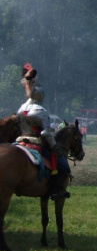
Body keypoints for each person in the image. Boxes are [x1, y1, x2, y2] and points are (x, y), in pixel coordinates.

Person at [16, 63, 70, 201]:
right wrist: (54, 146)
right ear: (41, 95)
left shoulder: (21, 108)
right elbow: (45, 133)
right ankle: (56, 190)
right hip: (36, 143)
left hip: (20, 142)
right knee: (63, 166)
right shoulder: (41, 111)